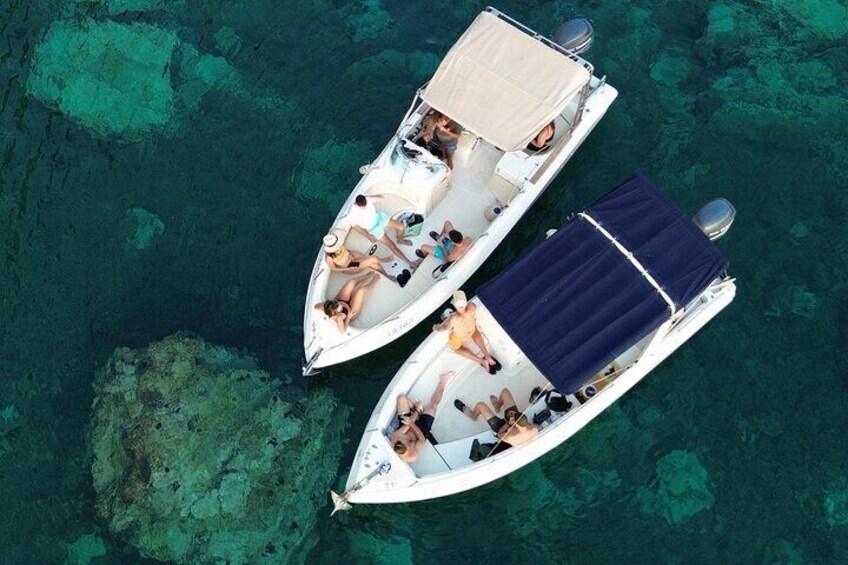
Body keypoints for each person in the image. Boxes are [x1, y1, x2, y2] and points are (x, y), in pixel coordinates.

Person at [391, 371, 454, 463]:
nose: (406, 441)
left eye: (404, 441)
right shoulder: (412, 456)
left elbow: (407, 424)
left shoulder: (396, 437)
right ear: (407, 449)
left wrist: (413, 417)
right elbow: (421, 438)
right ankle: (443, 380)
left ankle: (415, 409)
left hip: (407, 424)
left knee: (401, 398)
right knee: (433, 406)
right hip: (421, 431)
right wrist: (416, 413)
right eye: (408, 443)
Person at [433, 290, 501, 373]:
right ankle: (487, 356)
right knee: (475, 331)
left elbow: (442, 329)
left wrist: (435, 327)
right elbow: (471, 309)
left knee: (456, 348)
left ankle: (482, 361)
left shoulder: (453, 318)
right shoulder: (472, 306)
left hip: (460, 337)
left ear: (454, 305)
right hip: (471, 330)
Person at [454, 388, 539, 452]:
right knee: (505, 392)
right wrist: (513, 417)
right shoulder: (534, 429)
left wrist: (508, 425)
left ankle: (473, 415)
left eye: (514, 416)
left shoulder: (511, 437)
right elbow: (538, 427)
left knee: (480, 405)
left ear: (516, 424)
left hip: (502, 430)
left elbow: (499, 434)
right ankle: (497, 405)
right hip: (515, 423)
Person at [347, 194, 415, 268]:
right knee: (392, 246)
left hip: (379, 218)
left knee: (401, 227)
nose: (366, 207)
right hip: (373, 228)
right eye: (363, 207)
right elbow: (355, 226)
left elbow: (382, 198)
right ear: (358, 205)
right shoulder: (352, 212)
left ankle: (400, 240)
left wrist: (369, 198)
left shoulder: (367, 199)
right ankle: (410, 263)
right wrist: (368, 235)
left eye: (366, 204)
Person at [313, 272, 379, 333]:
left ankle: (366, 276)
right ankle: (375, 280)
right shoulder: (339, 317)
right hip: (350, 311)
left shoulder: (327, 306)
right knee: (361, 291)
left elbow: (316, 307)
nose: (340, 305)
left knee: (351, 282)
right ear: (335, 313)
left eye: (337, 304)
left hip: (340, 299)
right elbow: (342, 331)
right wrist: (348, 318)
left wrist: (329, 307)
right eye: (338, 307)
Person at [322, 232, 395, 282]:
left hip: (352, 255)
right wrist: (347, 268)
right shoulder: (328, 258)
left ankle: (384, 271)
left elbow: (341, 233)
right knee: (373, 260)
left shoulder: (338, 241)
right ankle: (384, 264)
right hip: (350, 265)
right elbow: (334, 269)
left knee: (370, 262)